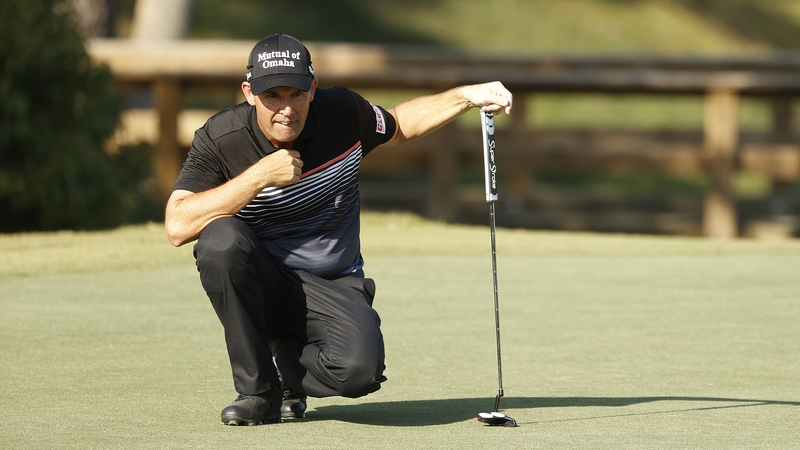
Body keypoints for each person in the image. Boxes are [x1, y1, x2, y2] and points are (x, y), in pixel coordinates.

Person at [165, 33, 513, 426]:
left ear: (312, 89)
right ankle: (258, 393)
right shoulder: (221, 138)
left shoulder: (344, 114)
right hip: (264, 284)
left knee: (359, 371)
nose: (285, 109)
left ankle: (279, 368)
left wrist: (468, 95)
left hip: (332, 283)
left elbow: (400, 125)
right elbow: (177, 225)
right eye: (272, 96)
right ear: (249, 93)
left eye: (295, 93)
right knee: (220, 240)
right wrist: (257, 178)